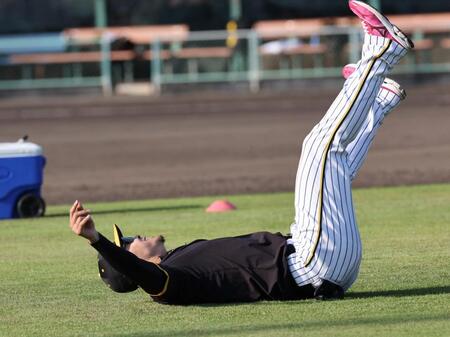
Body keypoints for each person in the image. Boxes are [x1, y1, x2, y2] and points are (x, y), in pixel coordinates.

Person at [69, 1, 413, 305]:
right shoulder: (170, 282)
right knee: (318, 147)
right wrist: (98, 241)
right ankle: (381, 51)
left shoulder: (181, 259)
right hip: (313, 262)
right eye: (127, 243)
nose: (133, 237)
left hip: (321, 259)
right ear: (135, 265)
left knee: (335, 168)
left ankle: (378, 99)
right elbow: (143, 276)